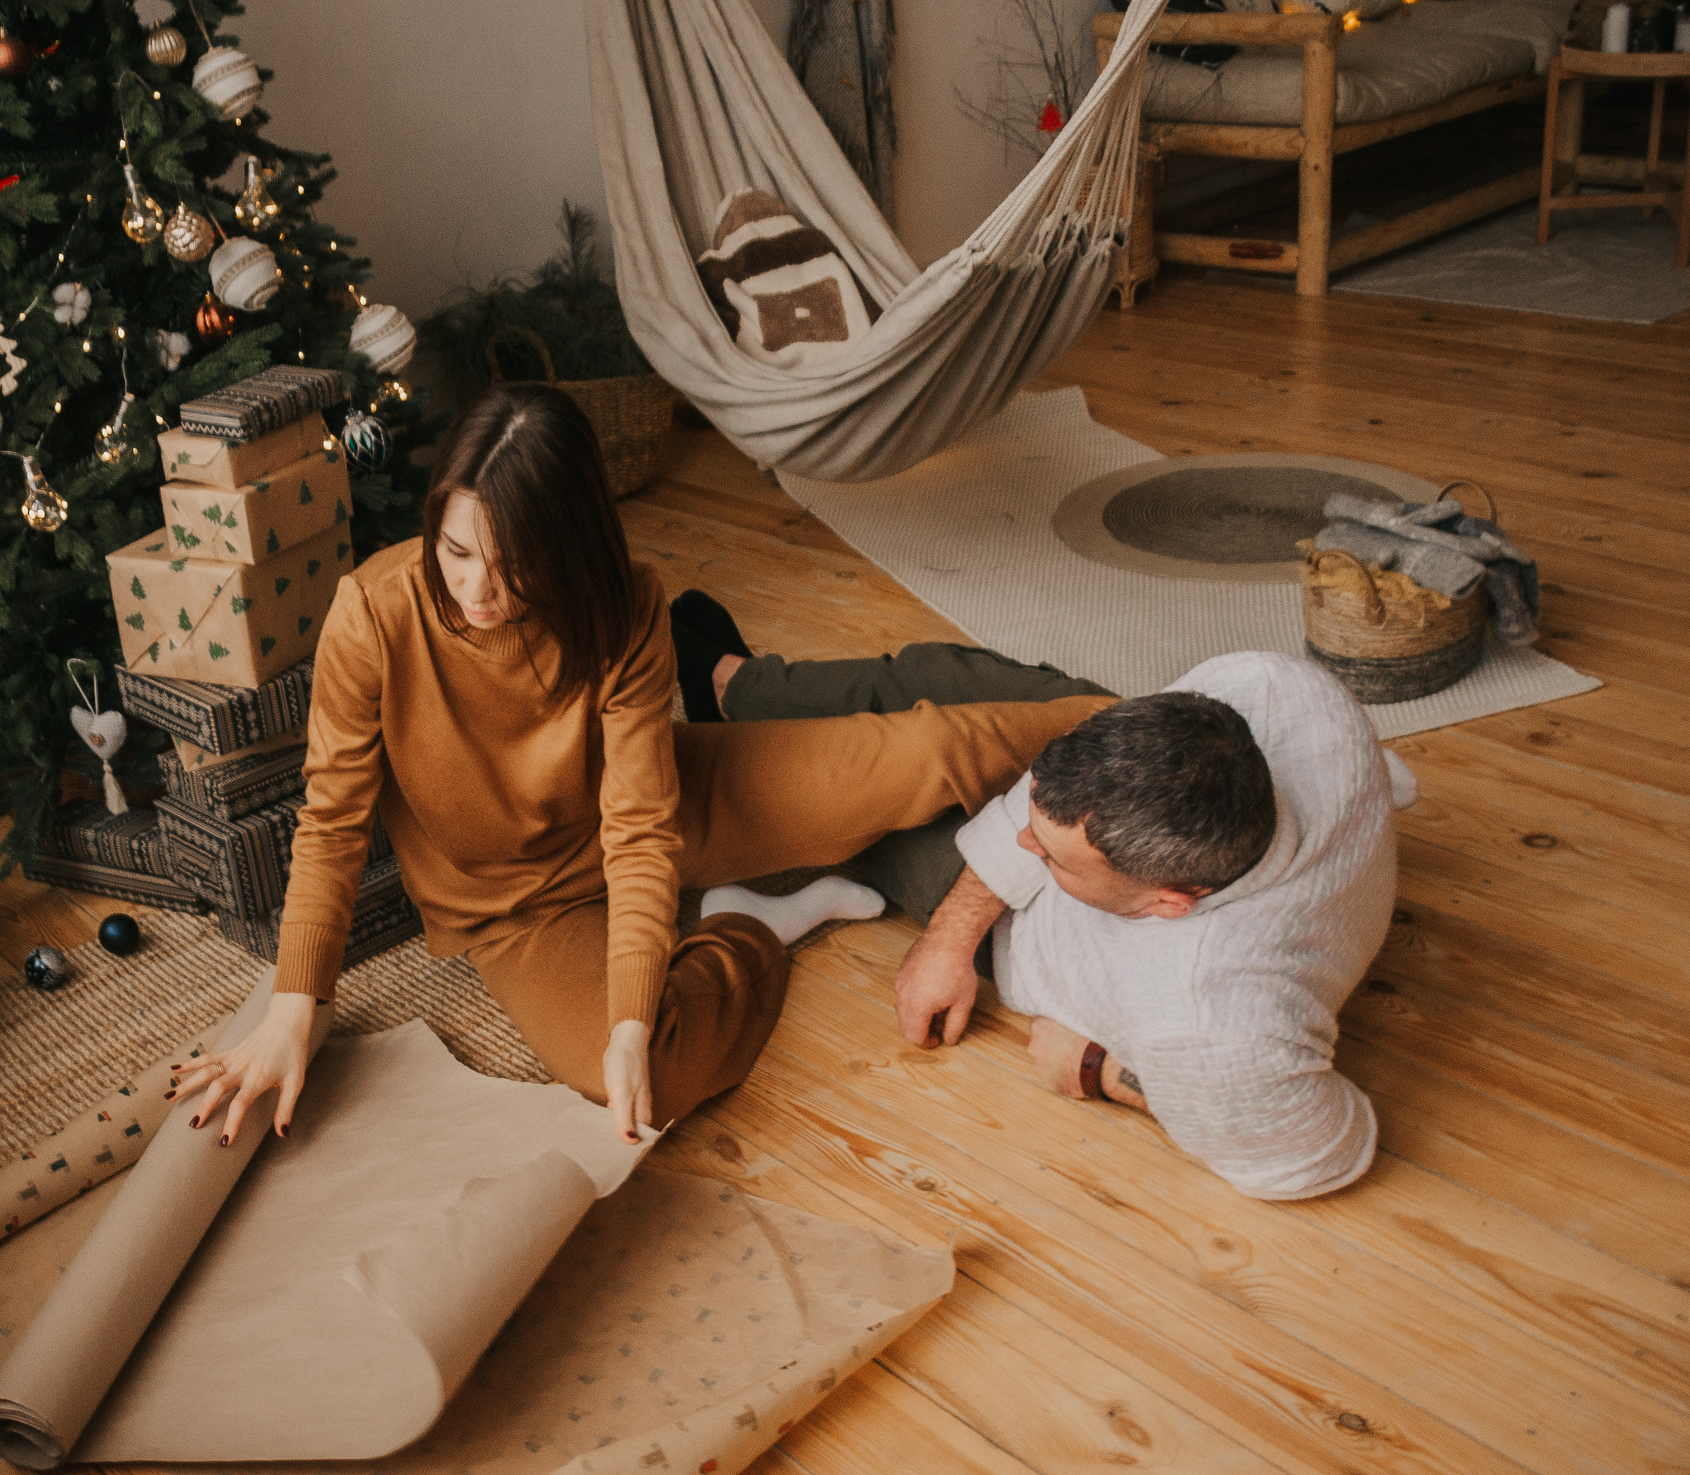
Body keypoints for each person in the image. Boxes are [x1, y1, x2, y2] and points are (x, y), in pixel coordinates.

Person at [170, 386, 1107, 1144]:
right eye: (455, 551)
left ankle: (1128, 712)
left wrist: (1119, 727)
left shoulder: (623, 608)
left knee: (925, 755)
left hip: (668, 804)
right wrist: (296, 1005)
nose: (477, 588)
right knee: (647, 1074)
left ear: (569, 548)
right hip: (516, 909)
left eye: (511, 563)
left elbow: (640, 828)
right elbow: (331, 822)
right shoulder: (373, 615)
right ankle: (749, 921)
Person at [867, 651, 1410, 1200]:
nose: (1020, 843)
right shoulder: (1272, 687)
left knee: (834, 777)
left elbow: (1314, 1155)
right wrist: (946, 941)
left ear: (1169, 902)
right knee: (911, 675)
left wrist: (1101, 1069)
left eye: (1050, 856)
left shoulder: (1206, 1019)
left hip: (1021, 924)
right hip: (1095, 775)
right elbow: (1049, 804)